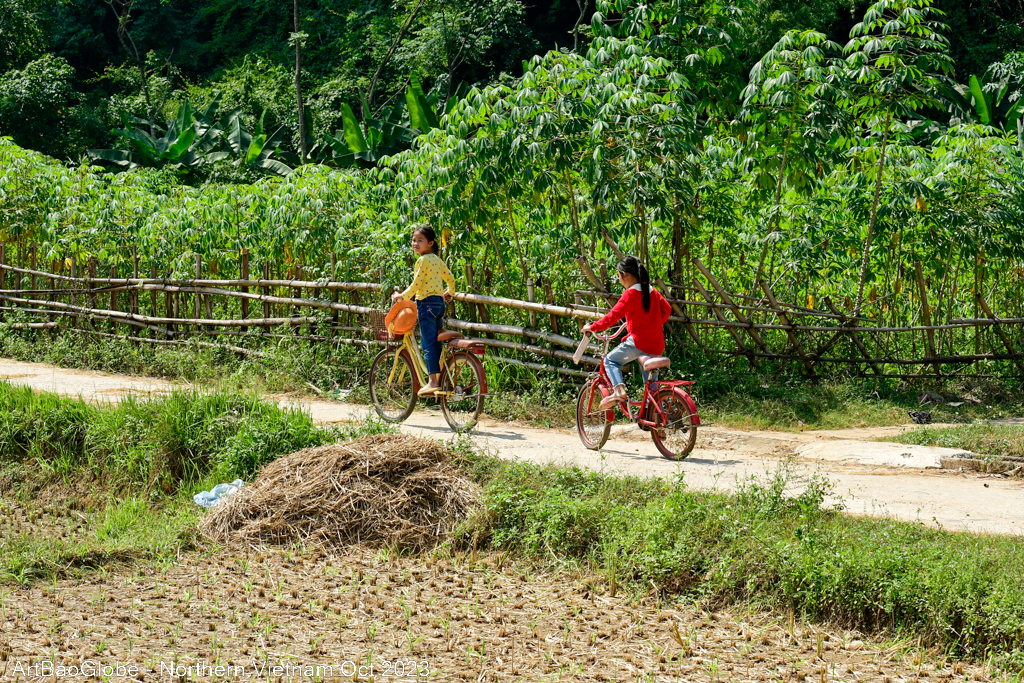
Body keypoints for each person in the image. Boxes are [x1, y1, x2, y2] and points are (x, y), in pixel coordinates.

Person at [582, 256, 671, 410]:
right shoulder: (652, 291)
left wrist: (593, 327)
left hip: (639, 343)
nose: (620, 280)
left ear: (626, 275)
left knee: (610, 361)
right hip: (657, 345)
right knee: (651, 388)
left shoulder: (630, 294)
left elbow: (613, 316)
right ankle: (659, 417)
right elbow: (667, 309)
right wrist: (652, 326)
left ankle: (619, 391)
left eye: (619, 276)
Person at [392, 225, 456, 396]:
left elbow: (417, 284)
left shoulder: (422, 260)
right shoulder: (436, 259)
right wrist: (450, 292)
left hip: (426, 305)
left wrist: (402, 297)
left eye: (420, 240)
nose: (415, 243)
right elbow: (450, 278)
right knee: (436, 341)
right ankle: (441, 376)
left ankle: (433, 381)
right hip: (439, 305)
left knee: (428, 343)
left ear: (430, 243)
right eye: (414, 240)